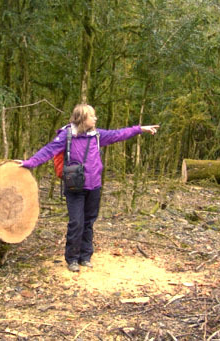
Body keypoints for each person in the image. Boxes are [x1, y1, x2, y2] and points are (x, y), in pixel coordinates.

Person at [15, 104, 159, 272]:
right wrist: (29, 163)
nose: (95, 118)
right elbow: (48, 150)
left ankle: (85, 256)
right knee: (76, 222)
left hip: (94, 185)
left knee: (89, 222)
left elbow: (119, 134)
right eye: (92, 116)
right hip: (75, 187)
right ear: (82, 119)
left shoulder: (97, 135)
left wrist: (140, 129)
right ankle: (72, 259)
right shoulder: (66, 136)